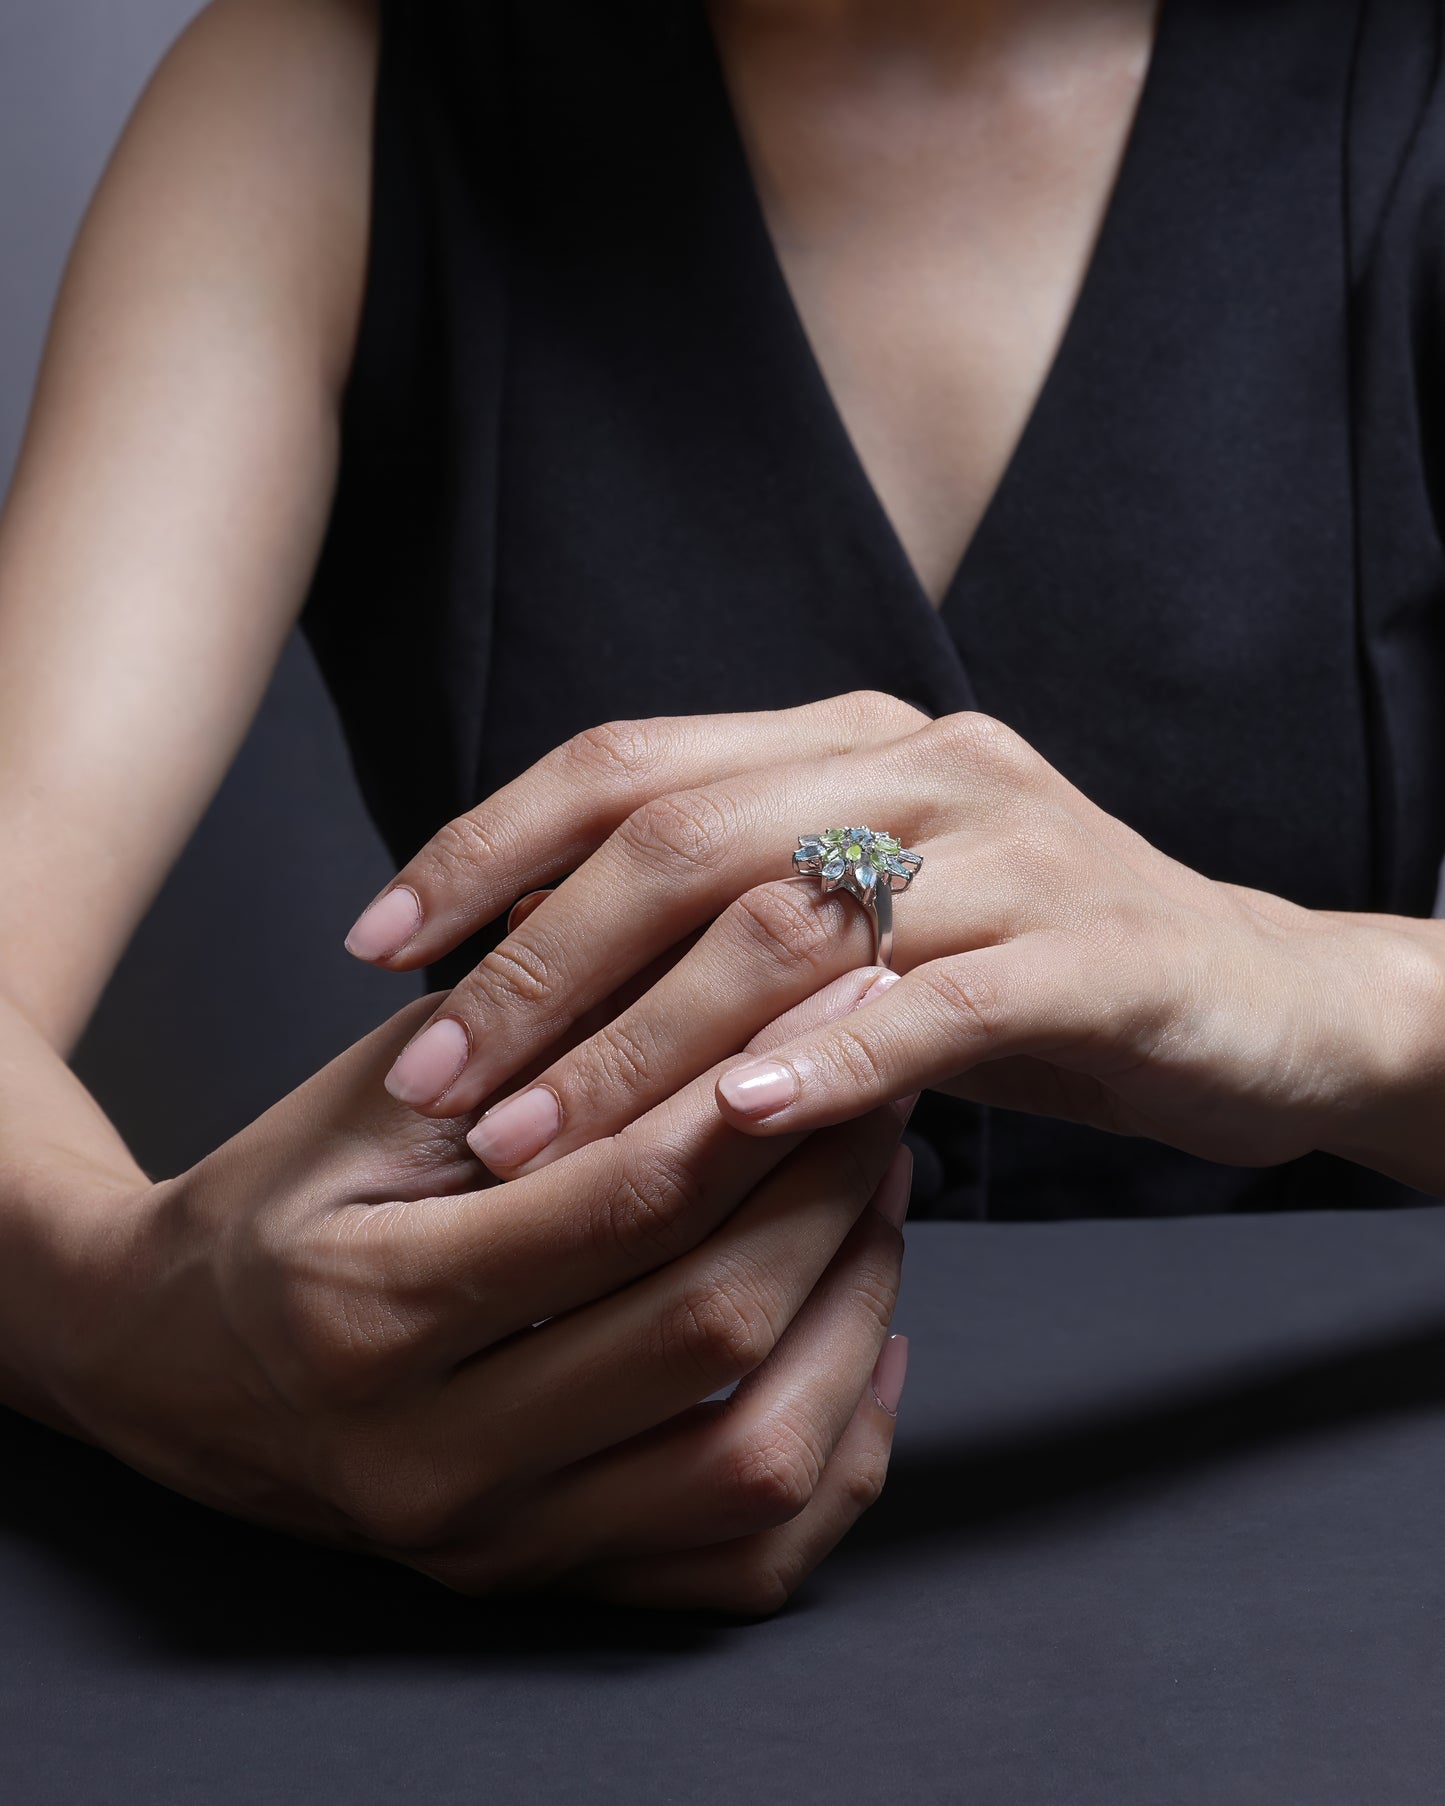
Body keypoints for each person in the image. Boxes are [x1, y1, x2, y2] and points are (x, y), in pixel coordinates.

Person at [0, 0, 1442, 1613]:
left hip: (1320, 1552)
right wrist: (100, 1305)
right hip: (508, 1557)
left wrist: (1327, 992)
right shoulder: (324, 77)